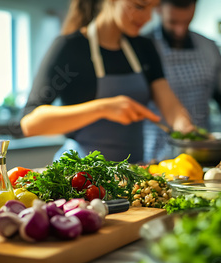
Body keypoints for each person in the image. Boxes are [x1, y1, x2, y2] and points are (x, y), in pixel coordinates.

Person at [20, 0, 194, 163]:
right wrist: (103, 108)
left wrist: (185, 128)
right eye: (140, 6)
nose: (148, 18)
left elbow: (168, 102)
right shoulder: (70, 48)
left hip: (132, 173)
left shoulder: (144, 47)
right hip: (80, 176)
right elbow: (30, 123)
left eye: (152, 7)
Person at [142, 0, 221, 162]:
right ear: (158, 8)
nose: (180, 30)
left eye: (186, 22)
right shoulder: (144, 45)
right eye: (172, 22)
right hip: (154, 150)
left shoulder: (209, 47)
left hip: (201, 149)